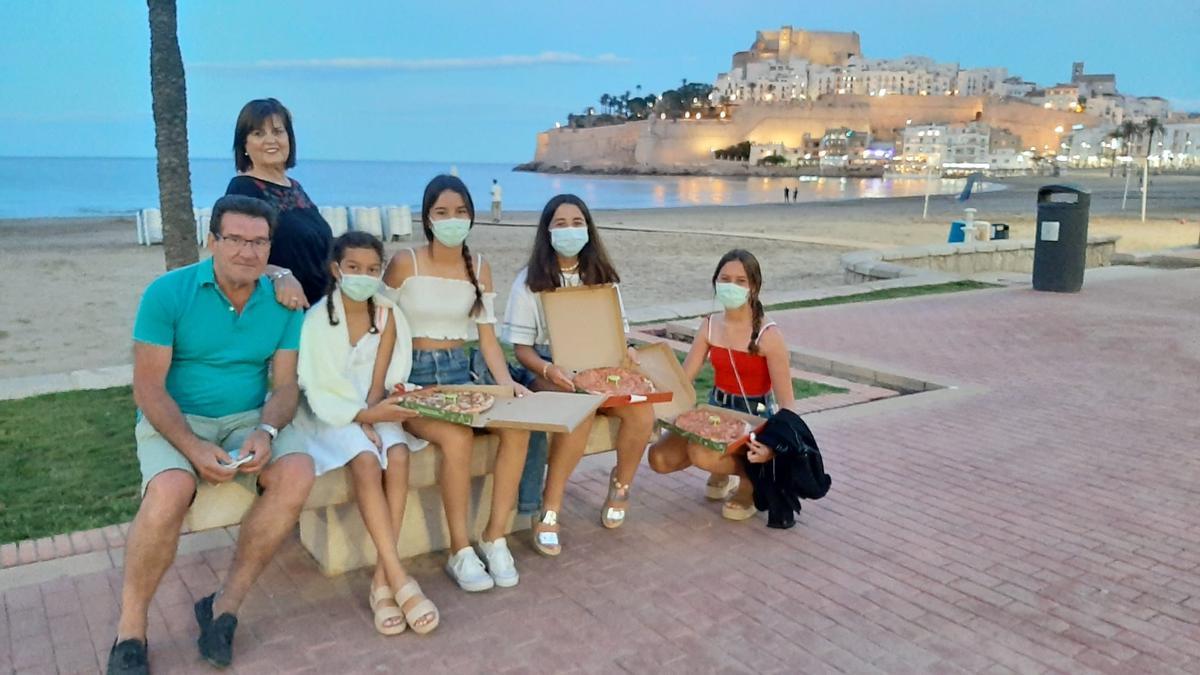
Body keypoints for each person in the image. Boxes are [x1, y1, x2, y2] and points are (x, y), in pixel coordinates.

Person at [108, 195, 315, 675]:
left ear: (270, 247)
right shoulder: (168, 293)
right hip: (179, 416)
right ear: (212, 241)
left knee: (298, 472)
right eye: (236, 239)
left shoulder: (284, 302)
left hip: (247, 415)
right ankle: (130, 630)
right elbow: (148, 388)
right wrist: (192, 446)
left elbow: (285, 386)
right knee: (169, 492)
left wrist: (266, 429)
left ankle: (224, 607)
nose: (247, 251)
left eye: (259, 241)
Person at [382, 175, 531, 592]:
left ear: (471, 216)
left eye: (461, 212)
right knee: (457, 439)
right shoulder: (404, 262)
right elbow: (383, 331)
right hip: (414, 381)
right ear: (427, 218)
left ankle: (495, 536)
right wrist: (384, 389)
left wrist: (507, 385)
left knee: (517, 428)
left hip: (462, 376)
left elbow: (487, 338)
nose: (452, 220)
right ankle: (458, 550)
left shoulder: (480, 266)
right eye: (442, 213)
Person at [291, 231, 438, 636]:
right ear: (336, 269)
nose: (363, 276)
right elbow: (320, 386)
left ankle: (380, 580)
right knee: (366, 458)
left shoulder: (388, 314)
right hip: (331, 413)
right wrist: (359, 418)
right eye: (353, 268)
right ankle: (400, 577)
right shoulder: (319, 319)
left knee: (400, 453)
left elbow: (382, 379)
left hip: (377, 405)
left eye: (372, 269)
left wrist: (372, 416)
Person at [501, 194, 657, 552]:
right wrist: (549, 369)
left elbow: (618, 335)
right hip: (550, 370)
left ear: (588, 229)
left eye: (577, 223)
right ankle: (550, 507)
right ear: (547, 230)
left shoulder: (603, 278)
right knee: (578, 411)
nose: (569, 230)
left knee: (641, 412)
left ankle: (621, 488)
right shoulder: (529, 282)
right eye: (560, 223)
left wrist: (626, 353)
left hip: (601, 368)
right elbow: (521, 349)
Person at [647, 249, 795, 521]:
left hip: (755, 418)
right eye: (725, 279)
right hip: (716, 411)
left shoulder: (769, 335)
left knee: (701, 454)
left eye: (740, 281)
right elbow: (682, 381)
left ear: (754, 287)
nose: (731, 286)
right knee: (659, 458)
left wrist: (773, 446)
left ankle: (750, 481)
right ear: (715, 282)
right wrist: (641, 367)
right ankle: (723, 470)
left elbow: (788, 406)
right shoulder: (710, 325)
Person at [225, 98, 332, 309]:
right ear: (244, 145)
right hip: (281, 310)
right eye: (258, 134)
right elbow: (231, 259)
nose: (270, 140)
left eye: (278, 132)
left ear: (289, 138)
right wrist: (279, 274)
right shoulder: (243, 189)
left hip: (321, 311)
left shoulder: (295, 187)